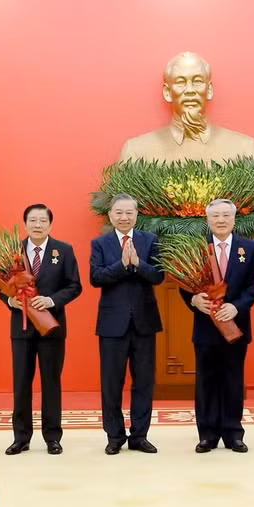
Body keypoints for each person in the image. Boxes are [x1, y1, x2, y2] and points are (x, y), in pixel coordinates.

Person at [180, 198, 254, 453]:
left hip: (235, 326)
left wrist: (237, 306)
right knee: (205, 382)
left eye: (226, 215)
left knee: (233, 380)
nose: (221, 220)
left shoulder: (249, 248)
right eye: (215, 216)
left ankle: (233, 434)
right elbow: (183, 282)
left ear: (234, 219)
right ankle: (207, 435)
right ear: (207, 220)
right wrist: (193, 299)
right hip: (205, 327)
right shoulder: (197, 247)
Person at [0, 204, 82, 455]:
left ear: (50, 224)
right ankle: (21, 437)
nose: (37, 225)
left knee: (51, 382)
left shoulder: (63, 250)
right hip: (22, 328)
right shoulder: (12, 251)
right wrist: (9, 301)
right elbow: (1, 285)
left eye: (42, 220)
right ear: (24, 224)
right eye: (32, 220)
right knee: (21, 383)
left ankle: (52, 437)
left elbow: (74, 286)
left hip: (51, 327)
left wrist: (51, 300)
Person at [90, 193, 164, 455]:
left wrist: (138, 264)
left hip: (144, 322)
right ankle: (114, 436)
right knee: (111, 383)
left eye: (129, 212)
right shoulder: (100, 243)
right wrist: (121, 265)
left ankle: (140, 436)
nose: (124, 217)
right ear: (110, 215)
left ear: (136, 215)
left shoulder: (150, 240)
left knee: (144, 382)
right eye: (119, 213)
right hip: (112, 324)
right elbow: (95, 277)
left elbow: (158, 276)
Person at [118, 51, 254, 164]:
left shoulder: (244, 150)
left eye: (197, 81)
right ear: (167, 92)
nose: (190, 90)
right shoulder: (136, 153)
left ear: (209, 89)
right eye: (180, 82)